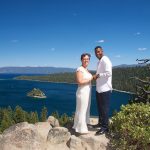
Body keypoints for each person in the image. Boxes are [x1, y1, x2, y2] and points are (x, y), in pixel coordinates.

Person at [93, 46, 112, 135]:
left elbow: (109, 73)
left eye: (99, 51)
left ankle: (105, 127)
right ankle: (100, 123)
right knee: (100, 108)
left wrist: (98, 75)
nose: (98, 53)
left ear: (102, 51)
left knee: (104, 109)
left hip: (105, 89)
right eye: (96, 52)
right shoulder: (99, 62)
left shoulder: (105, 59)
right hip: (99, 89)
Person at [73, 53, 93, 134]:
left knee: (85, 109)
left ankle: (78, 125)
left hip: (87, 91)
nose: (86, 60)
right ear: (81, 60)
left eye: (87, 59)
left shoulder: (86, 69)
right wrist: (91, 78)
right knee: (82, 109)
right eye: (84, 59)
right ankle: (81, 128)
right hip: (82, 92)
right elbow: (79, 81)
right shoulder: (80, 69)